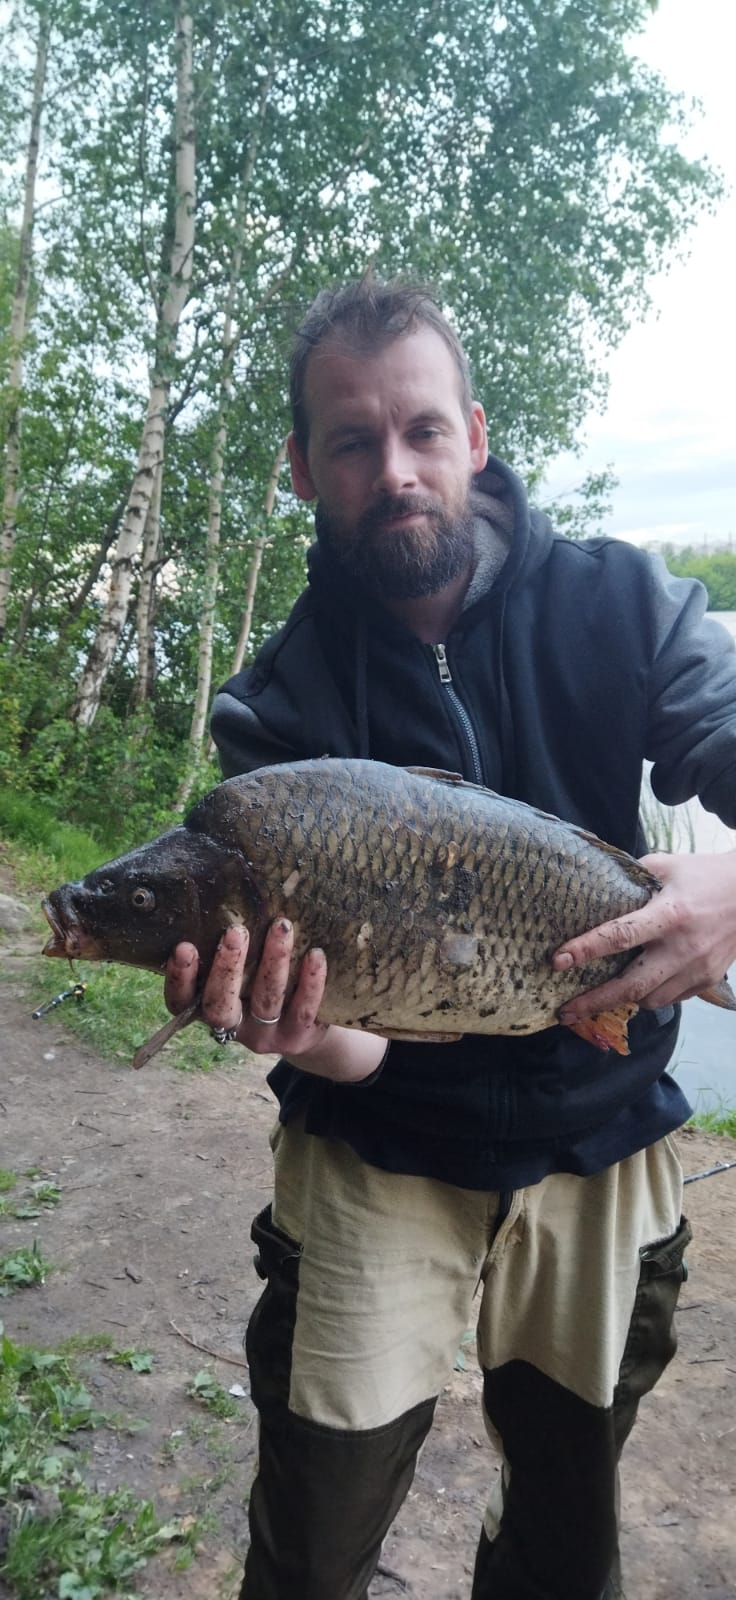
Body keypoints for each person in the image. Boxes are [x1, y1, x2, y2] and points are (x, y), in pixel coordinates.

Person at [165, 276, 736, 1600]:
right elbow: (348, 1047)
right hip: (379, 1153)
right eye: (354, 444)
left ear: (476, 435)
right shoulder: (277, 707)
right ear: (303, 468)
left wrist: (727, 890)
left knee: (565, 1536)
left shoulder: (624, 603)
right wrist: (303, 1030)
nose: (397, 471)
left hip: (599, 1132)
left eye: (422, 431)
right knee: (311, 1544)